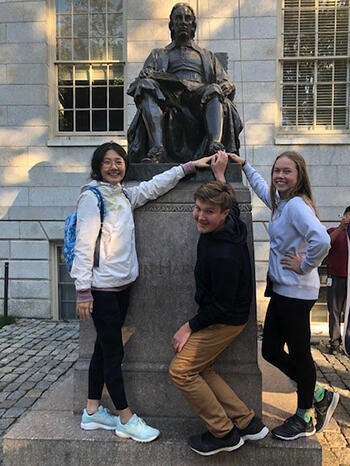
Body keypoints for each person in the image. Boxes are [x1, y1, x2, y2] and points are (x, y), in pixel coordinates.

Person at [71, 141, 212, 443]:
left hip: (121, 286)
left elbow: (152, 187)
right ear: (98, 167)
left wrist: (187, 167)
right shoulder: (92, 198)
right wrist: (83, 290)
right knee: (113, 353)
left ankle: (93, 411)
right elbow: (84, 245)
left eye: (119, 161)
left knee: (103, 349)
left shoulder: (122, 194)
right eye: (107, 162)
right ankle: (125, 417)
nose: (114, 167)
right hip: (102, 290)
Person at [229, 150, 339, 440]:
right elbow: (264, 192)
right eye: (277, 170)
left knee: (300, 354)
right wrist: (245, 166)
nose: (280, 175)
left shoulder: (296, 207)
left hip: (296, 293)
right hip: (283, 290)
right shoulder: (282, 203)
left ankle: (305, 416)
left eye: (286, 171)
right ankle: (316, 391)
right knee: (271, 350)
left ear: (299, 175)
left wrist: (304, 265)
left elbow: (323, 239)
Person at [169, 152, 268, 456]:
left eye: (208, 211)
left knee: (181, 371)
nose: (200, 216)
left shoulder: (222, 254)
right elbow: (234, 205)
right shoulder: (232, 223)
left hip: (225, 319)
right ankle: (247, 422)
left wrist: (189, 326)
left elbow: (221, 307)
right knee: (202, 367)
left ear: (222, 214)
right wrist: (221, 177)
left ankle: (223, 432)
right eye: (197, 209)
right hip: (225, 314)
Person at [127, 2, 242, 163]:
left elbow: (224, 82)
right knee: (145, 84)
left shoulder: (207, 55)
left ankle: (214, 145)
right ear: (172, 25)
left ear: (193, 25)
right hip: (170, 98)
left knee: (215, 89)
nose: (183, 22)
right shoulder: (158, 54)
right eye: (178, 18)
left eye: (187, 18)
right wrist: (146, 75)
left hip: (199, 97)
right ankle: (158, 149)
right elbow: (140, 82)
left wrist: (229, 86)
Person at [326, 206, 350, 354]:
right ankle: (335, 342)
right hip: (336, 277)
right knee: (334, 311)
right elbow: (326, 243)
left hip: (349, 278)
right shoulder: (333, 231)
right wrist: (342, 228)